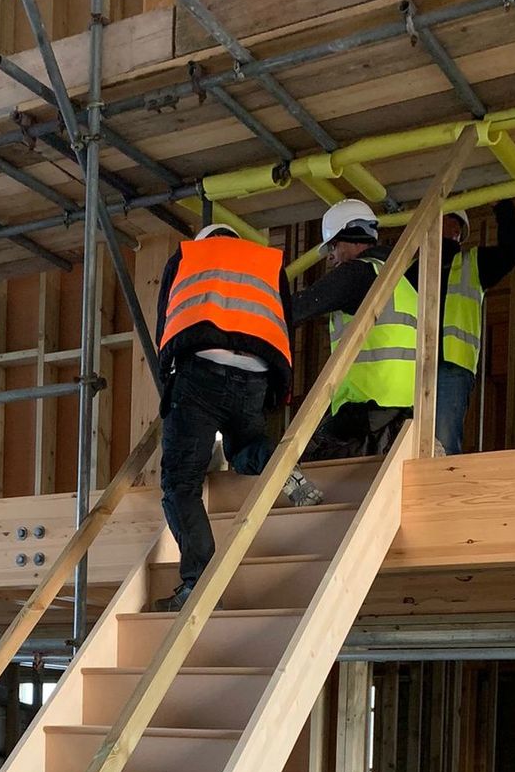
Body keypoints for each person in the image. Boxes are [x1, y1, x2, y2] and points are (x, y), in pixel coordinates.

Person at [152, 223, 322, 614]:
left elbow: (167, 324)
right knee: (244, 448)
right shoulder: (266, 263)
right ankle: (275, 464)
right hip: (256, 374)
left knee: (181, 484)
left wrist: (169, 382)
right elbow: (284, 322)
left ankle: (199, 584)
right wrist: (281, 391)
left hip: (200, 371)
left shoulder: (187, 257)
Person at [290, 198, 420, 462]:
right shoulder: (401, 280)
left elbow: (299, 308)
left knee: (301, 463)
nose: (331, 256)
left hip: (367, 413)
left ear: (351, 237)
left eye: (334, 246)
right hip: (403, 410)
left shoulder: (358, 274)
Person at [435, 199, 515, 454]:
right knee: (401, 443)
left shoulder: (473, 262)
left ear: (456, 228)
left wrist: (502, 206)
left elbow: (512, 250)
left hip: (452, 366)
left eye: (442, 219)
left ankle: (443, 492)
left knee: (442, 444)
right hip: (410, 366)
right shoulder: (411, 266)